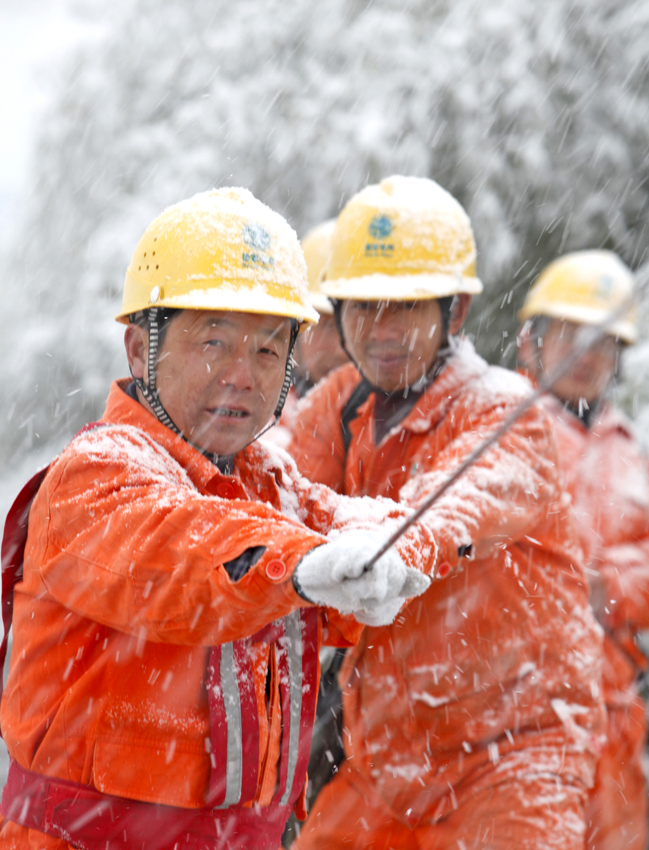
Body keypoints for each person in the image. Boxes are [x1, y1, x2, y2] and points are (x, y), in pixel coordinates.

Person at [0, 188, 437, 850]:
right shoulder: (96, 473)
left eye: (266, 351)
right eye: (213, 342)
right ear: (139, 350)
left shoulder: (266, 481)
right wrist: (302, 566)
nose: (241, 375)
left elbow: (347, 528)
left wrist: (391, 554)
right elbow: (180, 552)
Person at [287, 176, 605, 850]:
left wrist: (390, 551)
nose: (381, 331)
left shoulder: (503, 408)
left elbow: (449, 509)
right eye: (363, 308)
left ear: (454, 312)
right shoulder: (341, 404)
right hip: (383, 765)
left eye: (405, 307)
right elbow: (272, 488)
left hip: (517, 758)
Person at [518, 250, 649, 850]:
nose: (586, 354)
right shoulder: (497, 431)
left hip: (616, 724)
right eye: (569, 334)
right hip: (513, 721)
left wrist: (612, 586)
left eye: (602, 342)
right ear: (531, 342)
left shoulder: (634, 454)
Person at [265, 219, 348, 449]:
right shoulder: (258, 421)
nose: (342, 348)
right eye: (328, 325)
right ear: (295, 326)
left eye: (356, 325)